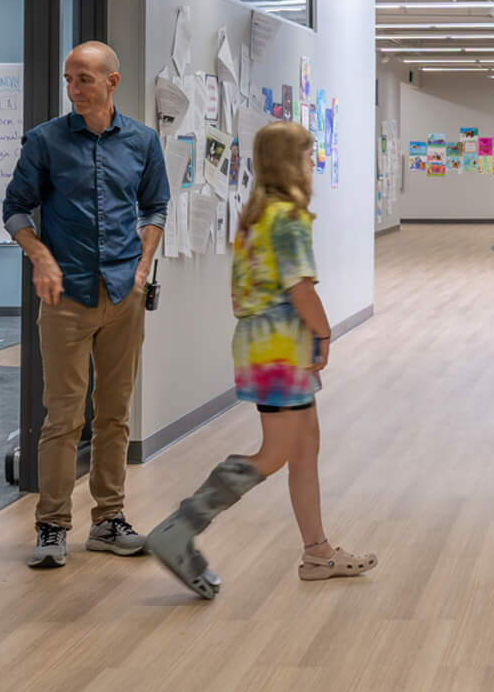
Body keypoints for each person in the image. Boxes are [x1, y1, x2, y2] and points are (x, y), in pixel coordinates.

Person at [146, 120, 375, 598]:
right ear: (289, 162)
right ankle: (179, 529)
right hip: (279, 350)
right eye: (307, 156)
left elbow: (243, 296)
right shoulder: (286, 217)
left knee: (305, 445)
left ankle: (318, 552)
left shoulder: (255, 216)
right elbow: (300, 288)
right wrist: (325, 333)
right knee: (274, 454)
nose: (311, 164)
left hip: (265, 343)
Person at [1, 41, 169, 568]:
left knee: (115, 416)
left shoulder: (142, 141)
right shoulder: (45, 141)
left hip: (125, 295)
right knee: (63, 417)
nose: (74, 89)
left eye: (84, 80)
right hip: (65, 297)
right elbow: (15, 210)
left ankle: (108, 519)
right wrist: (40, 257)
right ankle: (51, 526)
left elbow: (156, 206)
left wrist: (142, 270)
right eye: (69, 79)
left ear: (111, 82)